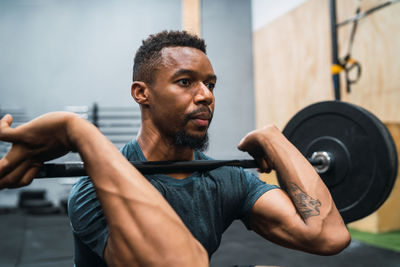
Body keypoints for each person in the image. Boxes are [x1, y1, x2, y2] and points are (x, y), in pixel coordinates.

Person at [0, 30, 350, 267]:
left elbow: (328, 235)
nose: (206, 95)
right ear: (142, 93)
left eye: (210, 84)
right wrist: (76, 130)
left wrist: (275, 138)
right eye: (186, 82)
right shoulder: (94, 190)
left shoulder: (224, 180)